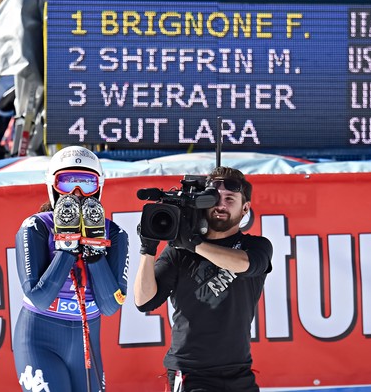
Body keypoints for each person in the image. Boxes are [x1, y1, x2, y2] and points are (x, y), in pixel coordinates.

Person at [134, 166, 273, 392]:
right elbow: (144, 301)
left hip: (239, 372)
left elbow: (245, 264)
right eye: (214, 198)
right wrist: (148, 249)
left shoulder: (256, 246)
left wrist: (195, 244)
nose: (221, 205)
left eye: (230, 199)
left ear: (245, 208)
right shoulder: (179, 251)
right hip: (191, 374)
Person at [14, 145, 129, 392]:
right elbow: (39, 297)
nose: (76, 194)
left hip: (85, 341)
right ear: (52, 187)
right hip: (40, 339)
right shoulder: (36, 226)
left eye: (86, 184)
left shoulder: (115, 233)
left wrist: (95, 253)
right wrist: (67, 249)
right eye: (67, 183)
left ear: (99, 188)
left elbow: (110, 306)